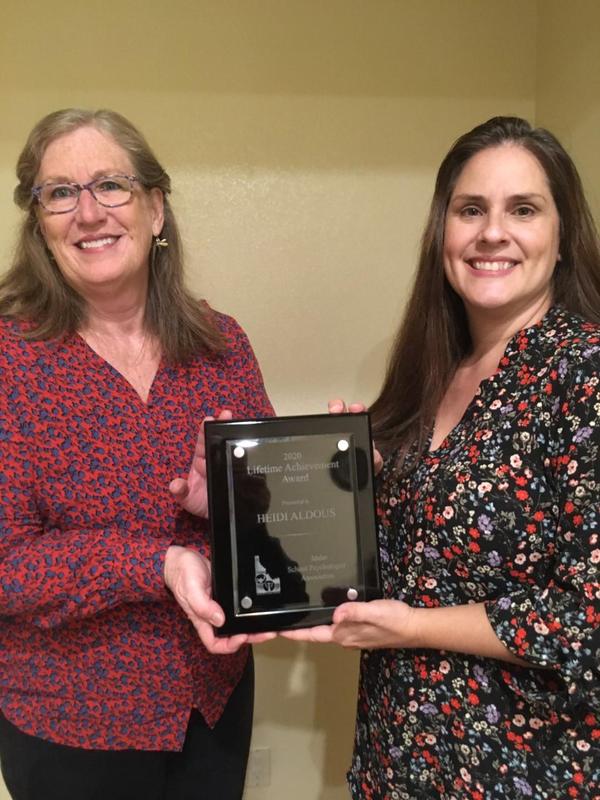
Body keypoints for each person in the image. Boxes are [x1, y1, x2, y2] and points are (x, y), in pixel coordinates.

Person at [284, 117, 600, 799]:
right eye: (470, 210)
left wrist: (412, 628)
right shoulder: (432, 375)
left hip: (522, 769)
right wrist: (319, 489)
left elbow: (586, 616)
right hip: (398, 758)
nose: (492, 232)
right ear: (443, 233)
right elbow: (428, 551)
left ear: (562, 233)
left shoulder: (585, 375)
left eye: (523, 209)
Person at [0, 108, 274, 800]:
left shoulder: (222, 344)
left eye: (110, 185)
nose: (88, 212)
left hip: (211, 707)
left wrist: (239, 505)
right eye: (59, 192)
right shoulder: (9, 359)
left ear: (155, 209)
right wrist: (156, 563)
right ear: (40, 226)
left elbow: (273, 514)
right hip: (68, 724)